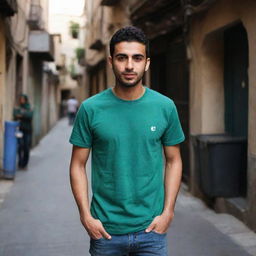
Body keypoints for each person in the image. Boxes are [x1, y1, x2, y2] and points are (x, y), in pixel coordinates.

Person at [69, 26, 185, 256]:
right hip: (106, 232)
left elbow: (174, 161)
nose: (130, 65)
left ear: (147, 63)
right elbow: (77, 165)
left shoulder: (165, 107)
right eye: (122, 58)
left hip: (152, 231)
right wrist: (86, 216)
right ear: (111, 61)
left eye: (137, 58)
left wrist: (168, 212)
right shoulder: (91, 109)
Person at [13, 94, 33, 170]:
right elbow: (15, 114)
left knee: (26, 148)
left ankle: (25, 164)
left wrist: (21, 114)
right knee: (20, 146)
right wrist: (24, 114)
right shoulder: (18, 107)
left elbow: (30, 116)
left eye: (22, 99)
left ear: (25, 100)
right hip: (20, 130)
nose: (21, 100)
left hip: (28, 131)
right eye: (20, 99)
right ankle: (20, 163)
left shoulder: (29, 107)